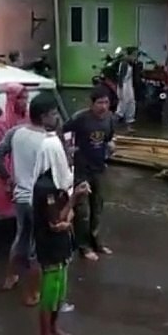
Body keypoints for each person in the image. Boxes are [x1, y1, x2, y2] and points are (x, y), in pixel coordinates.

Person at [0, 92, 52, 305]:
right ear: (44, 116)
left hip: (20, 197)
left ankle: (10, 278)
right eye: (54, 114)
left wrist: (9, 179)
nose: (56, 118)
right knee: (37, 246)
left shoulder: (16, 132)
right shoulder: (49, 141)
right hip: (39, 199)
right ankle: (32, 294)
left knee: (21, 237)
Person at [31, 133, 88, 335]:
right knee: (49, 295)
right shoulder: (46, 187)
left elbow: (66, 219)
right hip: (50, 248)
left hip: (63, 245)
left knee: (60, 292)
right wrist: (73, 204)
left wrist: (68, 217)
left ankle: (54, 329)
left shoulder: (58, 181)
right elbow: (56, 223)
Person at [60, 87, 115, 261]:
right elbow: (61, 130)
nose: (103, 106)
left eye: (106, 102)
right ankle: (83, 246)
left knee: (97, 208)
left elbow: (109, 138)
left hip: (99, 169)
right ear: (91, 104)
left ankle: (96, 242)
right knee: (82, 210)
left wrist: (111, 146)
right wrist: (67, 150)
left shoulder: (109, 119)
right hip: (82, 170)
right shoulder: (81, 118)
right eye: (100, 102)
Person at [0, 83, 30, 222]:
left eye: (26, 98)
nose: (24, 102)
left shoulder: (29, 118)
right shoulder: (2, 123)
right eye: (20, 98)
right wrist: (9, 177)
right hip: (10, 173)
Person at [114, 47, 139, 133]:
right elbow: (121, 77)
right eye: (134, 55)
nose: (135, 57)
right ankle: (112, 124)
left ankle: (129, 125)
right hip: (124, 86)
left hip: (129, 86)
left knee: (131, 104)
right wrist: (120, 90)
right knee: (122, 106)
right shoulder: (124, 64)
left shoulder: (131, 64)